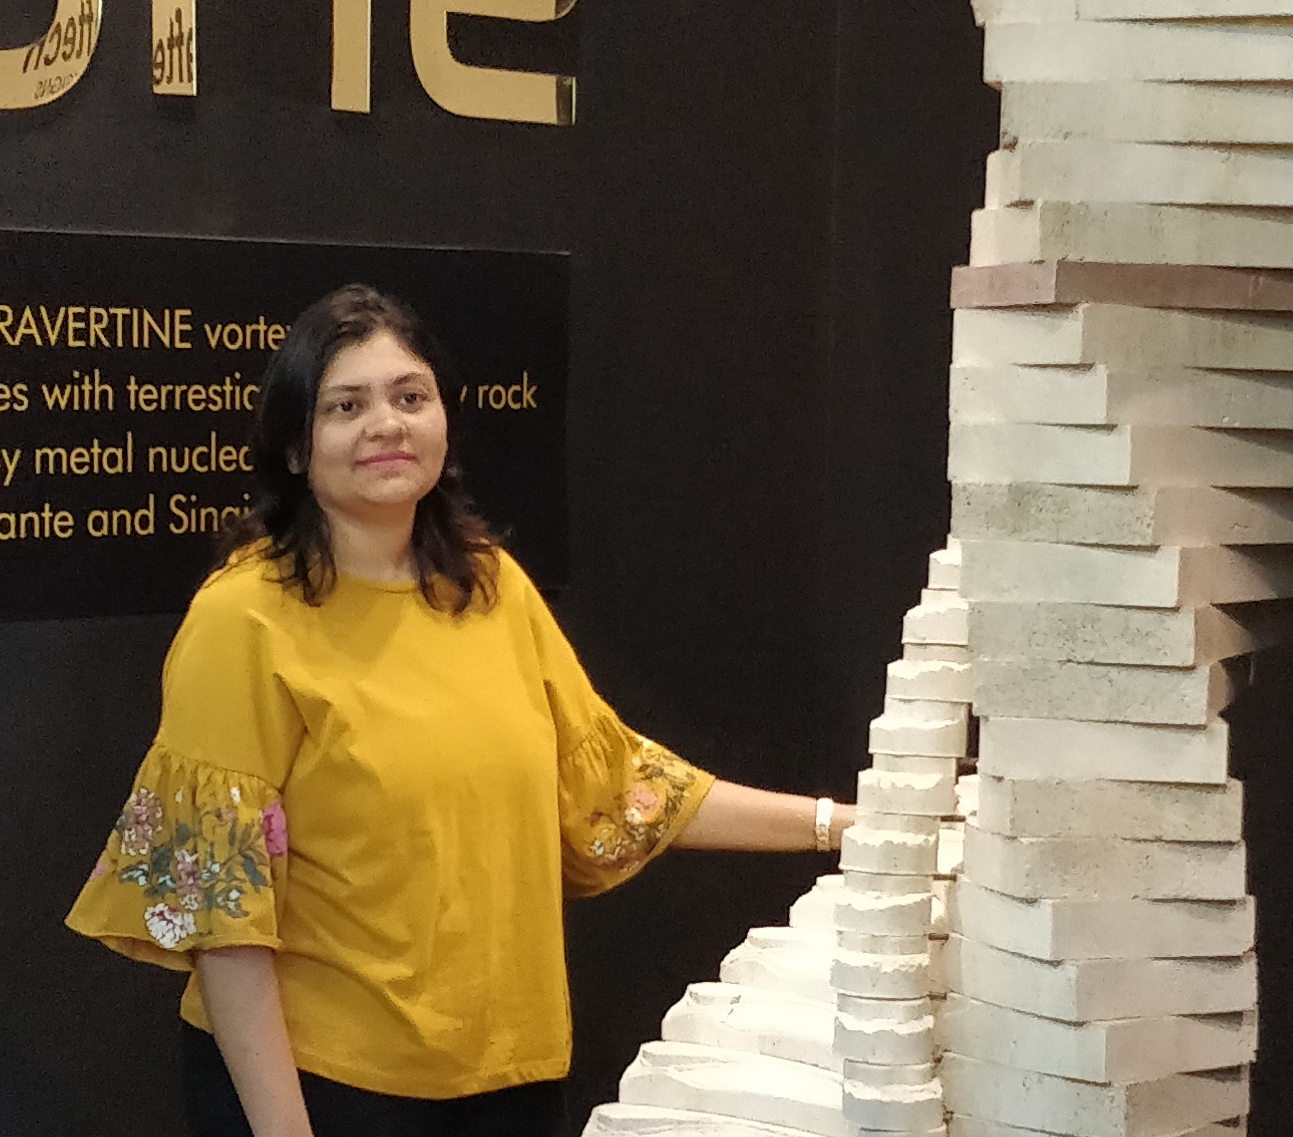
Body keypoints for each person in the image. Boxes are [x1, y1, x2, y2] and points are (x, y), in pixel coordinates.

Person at [66, 283, 854, 1137]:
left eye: (410, 397)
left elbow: (616, 783)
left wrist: (841, 826)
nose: (386, 424)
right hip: (326, 1088)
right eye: (346, 406)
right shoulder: (242, 620)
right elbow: (223, 913)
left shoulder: (488, 585)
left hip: (508, 1079)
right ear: (295, 445)